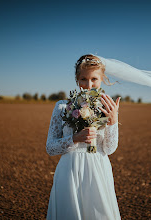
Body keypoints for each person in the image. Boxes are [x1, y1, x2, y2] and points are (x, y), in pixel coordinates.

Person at [46, 54, 122, 220]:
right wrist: (75, 138)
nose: (88, 85)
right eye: (83, 79)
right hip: (69, 170)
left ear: (102, 79)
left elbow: (109, 149)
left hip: (98, 170)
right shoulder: (62, 106)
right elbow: (50, 148)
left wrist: (113, 121)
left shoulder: (107, 107)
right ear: (76, 79)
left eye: (94, 79)